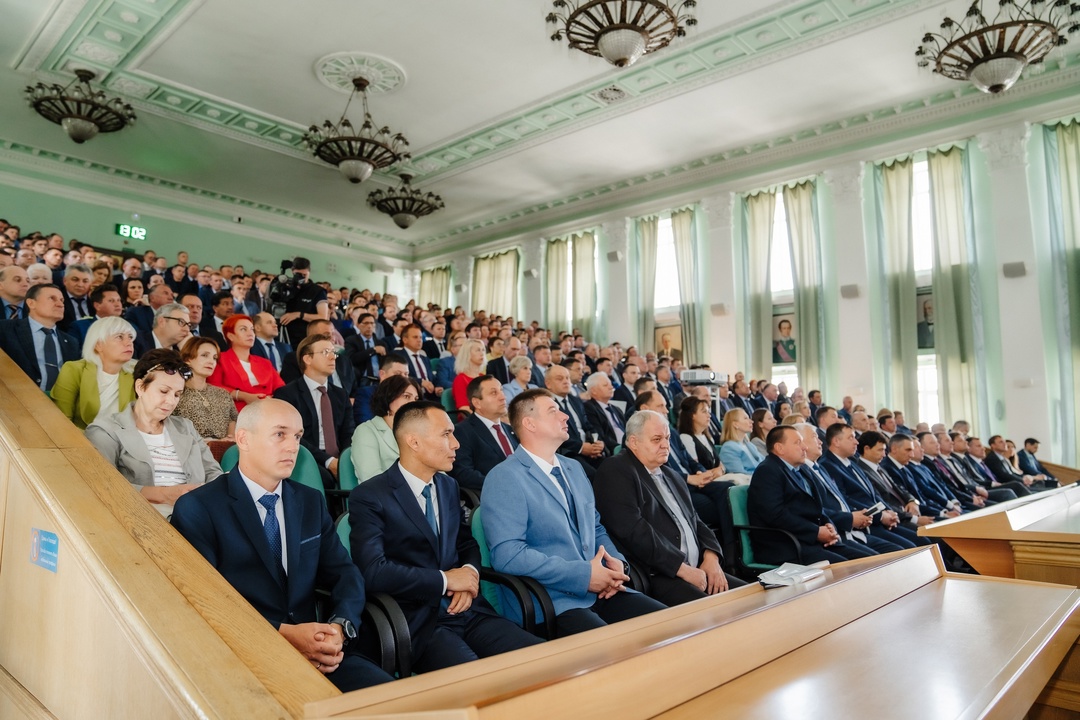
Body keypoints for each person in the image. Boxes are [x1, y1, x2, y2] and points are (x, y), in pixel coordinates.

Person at [170, 400, 393, 691]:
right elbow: (203, 601)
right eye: (280, 434)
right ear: (243, 439)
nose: (292, 446)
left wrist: (339, 628)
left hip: (318, 655)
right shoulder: (199, 508)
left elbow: (344, 573)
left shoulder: (310, 501)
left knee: (395, 702)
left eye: (298, 436)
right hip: (242, 658)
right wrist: (285, 634)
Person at [349, 402, 543, 672]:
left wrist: (468, 574)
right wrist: (445, 580)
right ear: (414, 442)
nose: (456, 444)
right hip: (416, 622)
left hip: (467, 609)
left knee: (540, 659)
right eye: (446, 434)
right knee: (477, 681)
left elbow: (465, 543)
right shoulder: (370, 496)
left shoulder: (447, 485)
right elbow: (373, 571)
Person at [481, 389, 667, 636]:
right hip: (551, 600)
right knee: (613, 652)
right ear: (529, 423)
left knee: (668, 625)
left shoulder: (574, 468)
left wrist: (616, 564)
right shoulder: (505, 476)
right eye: (553, 411)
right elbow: (508, 554)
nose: (565, 416)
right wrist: (584, 575)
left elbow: (596, 527)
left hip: (602, 589)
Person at [593, 410, 745, 606]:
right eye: (657, 439)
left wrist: (711, 558)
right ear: (633, 442)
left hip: (698, 568)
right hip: (659, 574)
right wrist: (683, 569)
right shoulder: (616, 470)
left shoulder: (672, 475)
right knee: (717, 614)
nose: (665, 445)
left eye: (667, 438)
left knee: (753, 598)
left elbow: (696, 522)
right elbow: (633, 531)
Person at [86, 349, 221, 508]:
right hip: (142, 517)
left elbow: (214, 473)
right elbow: (102, 484)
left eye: (177, 394)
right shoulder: (105, 431)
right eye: (164, 391)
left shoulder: (185, 427)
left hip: (196, 515)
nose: (171, 401)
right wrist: (163, 495)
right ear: (140, 387)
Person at [747, 426, 862, 565]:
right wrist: (816, 532)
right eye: (797, 443)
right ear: (779, 448)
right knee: (846, 569)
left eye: (803, 442)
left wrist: (828, 525)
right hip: (786, 545)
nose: (804, 447)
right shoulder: (767, 471)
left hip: (811, 541)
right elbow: (775, 515)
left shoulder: (802, 469)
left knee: (864, 561)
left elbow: (817, 507)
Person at [273, 334, 355, 489]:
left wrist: (343, 461)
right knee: (324, 479)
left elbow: (348, 433)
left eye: (333, 352)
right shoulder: (287, 394)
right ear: (307, 359)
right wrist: (328, 460)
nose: (333, 357)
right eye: (325, 352)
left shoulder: (341, 394)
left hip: (339, 459)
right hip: (306, 457)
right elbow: (294, 437)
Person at [50, 316, 136, 429]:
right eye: (119, 337)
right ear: (98, 345)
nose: (129, 343)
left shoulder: (137, 372)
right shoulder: (74, 370)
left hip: (122, 441)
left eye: (130, 337)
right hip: (81, 439)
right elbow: (62, 419)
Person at [0, 283, 80, 393]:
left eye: (62, 300)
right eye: (52, 298)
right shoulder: (5, 329)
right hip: (16, 401)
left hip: (60, 404)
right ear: (31, 303)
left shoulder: (71, 342)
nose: (60, 304)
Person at [450, 375, 516, 492]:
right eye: (494, 393)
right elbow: (463, 473)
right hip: (494, 493)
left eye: (501, 390)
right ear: (477, 402)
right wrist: (501, 484)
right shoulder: (462, 431)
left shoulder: (510, 429)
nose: (503, 397)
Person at [350, 375, 421, 484]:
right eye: (407, 396)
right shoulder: (365, 431)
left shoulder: (417, 432)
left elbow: (435, 469)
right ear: (389, 398)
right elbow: (371, 478)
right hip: (383, 498)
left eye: (416, 399)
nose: (413, 404)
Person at [207, 314, 285, 411]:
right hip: (235, 413)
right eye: (243, 329)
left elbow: (281, 388)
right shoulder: (220, 359)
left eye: (252, 329)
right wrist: (243, 396)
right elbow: (213, 387)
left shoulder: (265, 362)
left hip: (268, 410)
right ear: (230, 336)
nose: (250, 333)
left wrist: (271, 399)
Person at [174, 336, 237, 440]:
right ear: (188, 359)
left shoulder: (223, 394)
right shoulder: (176, 393)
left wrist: (228, 440)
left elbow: (233, 420)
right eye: (204, 355)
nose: (211, 361)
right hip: (191, 451)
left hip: (224, 452)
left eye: (214, 358)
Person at [278, 257, 329, 347]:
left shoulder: (317, 291)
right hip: (283, 333)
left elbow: (323, 317)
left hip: (305, 337)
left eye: (304, 275)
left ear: (309, 272)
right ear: (292, 271)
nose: (301, 277)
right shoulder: (285, 288)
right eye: (298, 274)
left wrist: (298, 314)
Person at [678, 396, 721, 471]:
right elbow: (696, 468)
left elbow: (720, 464)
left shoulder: (707, 437)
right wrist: (716, 472)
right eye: (704, 412)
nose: (709, 415)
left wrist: (721, 471)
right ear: (692, 415)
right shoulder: (686, 438)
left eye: (708, 412)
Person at [718, 408, 765, 475]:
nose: (751, 421)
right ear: (735, 424)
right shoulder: (729, 448)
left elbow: (765, 463)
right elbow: (739, 473)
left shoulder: (750, 445)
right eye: (745, 418)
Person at [451, 339, 487, 411]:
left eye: (483, 350)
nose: (482, 353)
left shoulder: (483, 377)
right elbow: (464, 408)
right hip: (471, 419)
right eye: (478, 350)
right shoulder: (460, 379)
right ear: (468, 354)